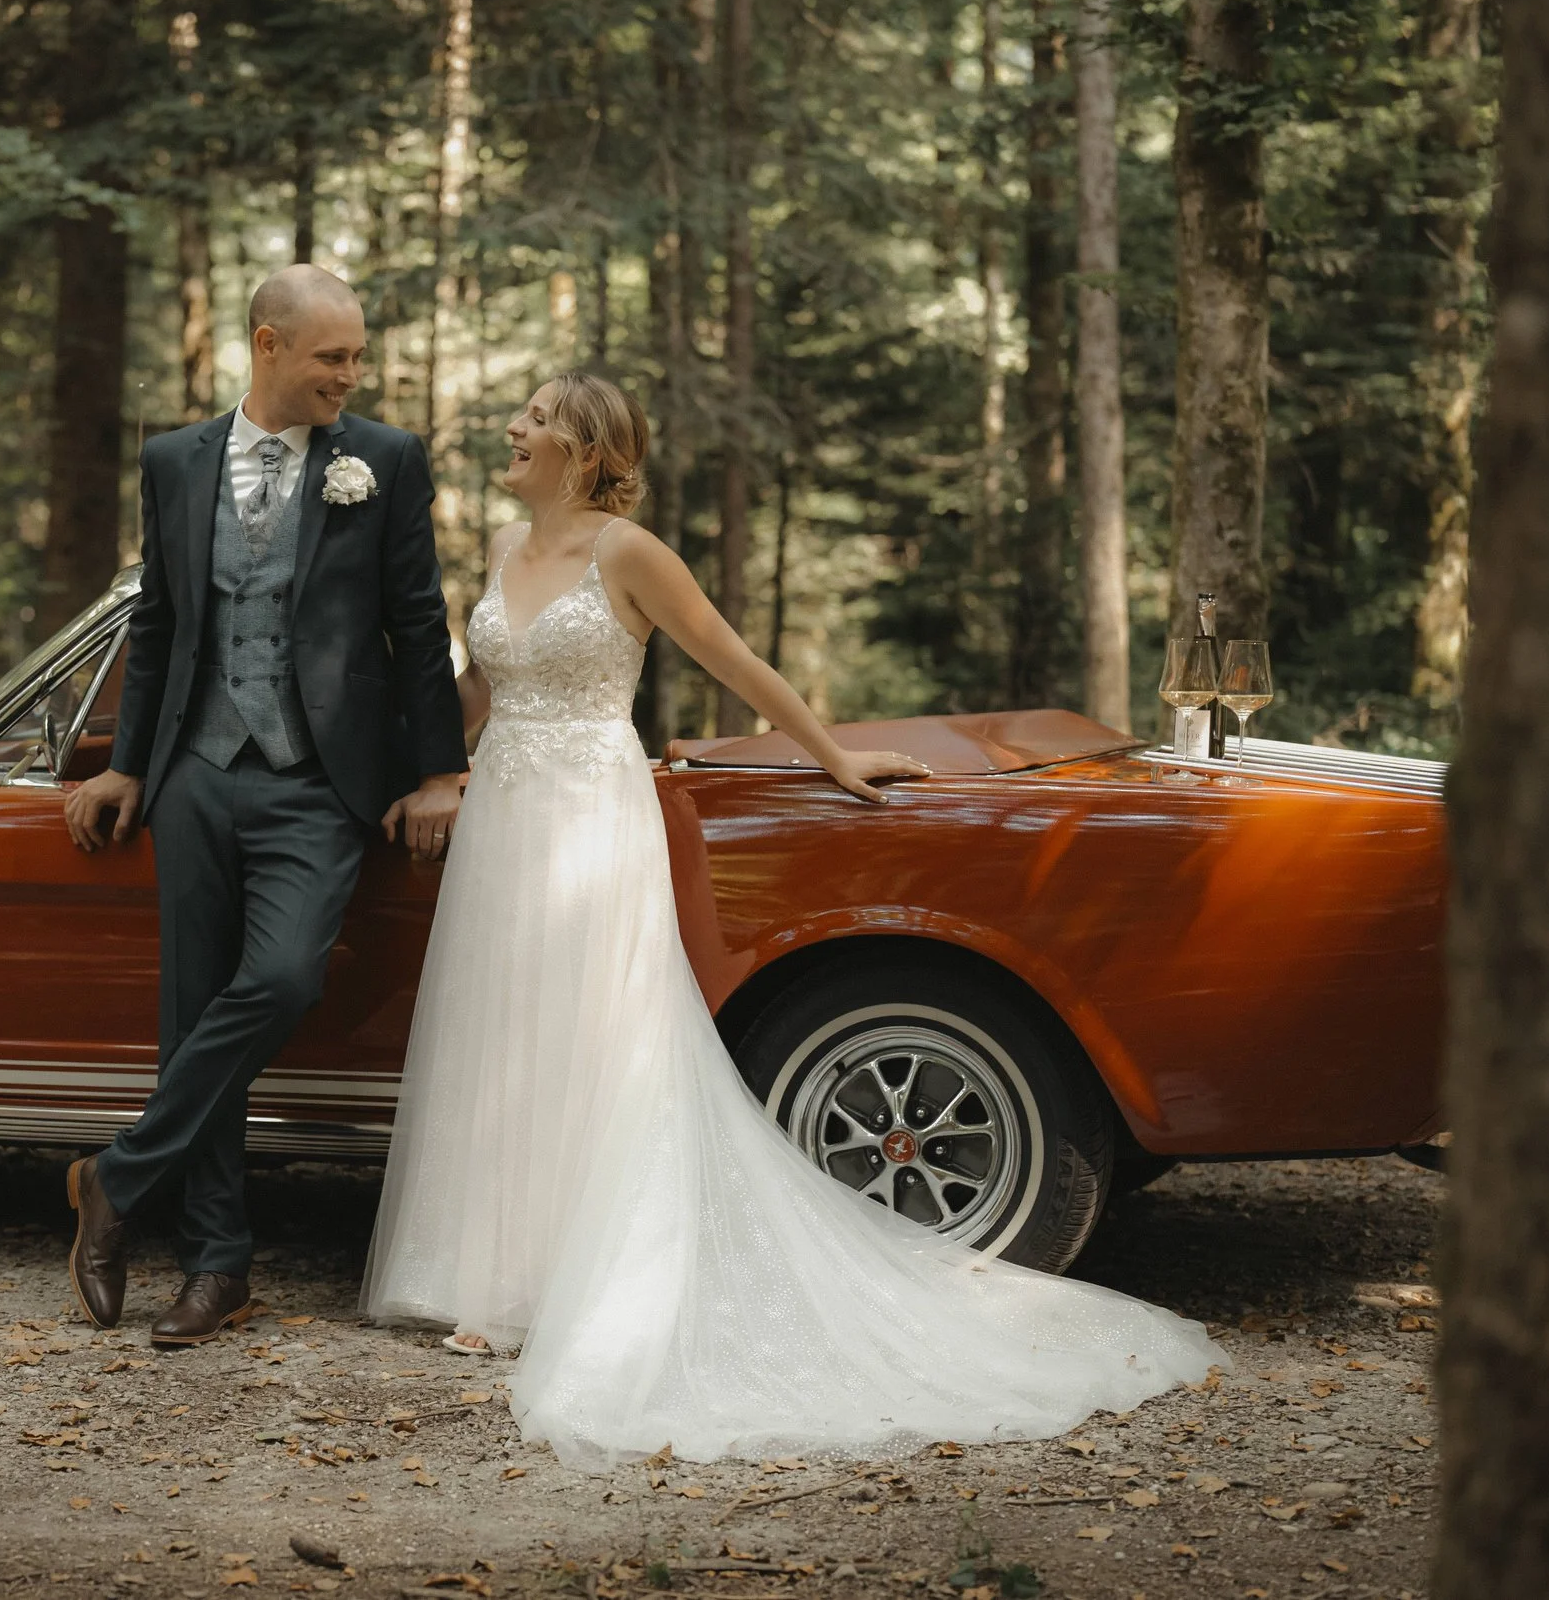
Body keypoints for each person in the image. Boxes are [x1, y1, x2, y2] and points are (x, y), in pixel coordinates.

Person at [360, 371, 1225, 1469]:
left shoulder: (629, 551)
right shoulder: (498, 548)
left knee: (590, 1034)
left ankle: (577, 1278)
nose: (513, 428)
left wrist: (834, 754)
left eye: (532, 417)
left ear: (581, 447)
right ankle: (491, 1274)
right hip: (504, 820)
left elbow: (734, 660)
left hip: (588, 810)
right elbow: (482, 688)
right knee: (507, 1033)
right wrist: (431, 773)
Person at [61, 265, 468, 1348]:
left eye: (357, 355)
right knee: (191, 1017)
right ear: (268, 343)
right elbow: (158, 625)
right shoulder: (173, 460)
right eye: (332, 354)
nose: (351, 373)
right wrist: (129, 764)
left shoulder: (381, 461)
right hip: (196, 773)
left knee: (281, 977)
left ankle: (114, 1177)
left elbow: (416, 623)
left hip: (315, 779)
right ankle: (215, 1264)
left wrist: (438, 771)